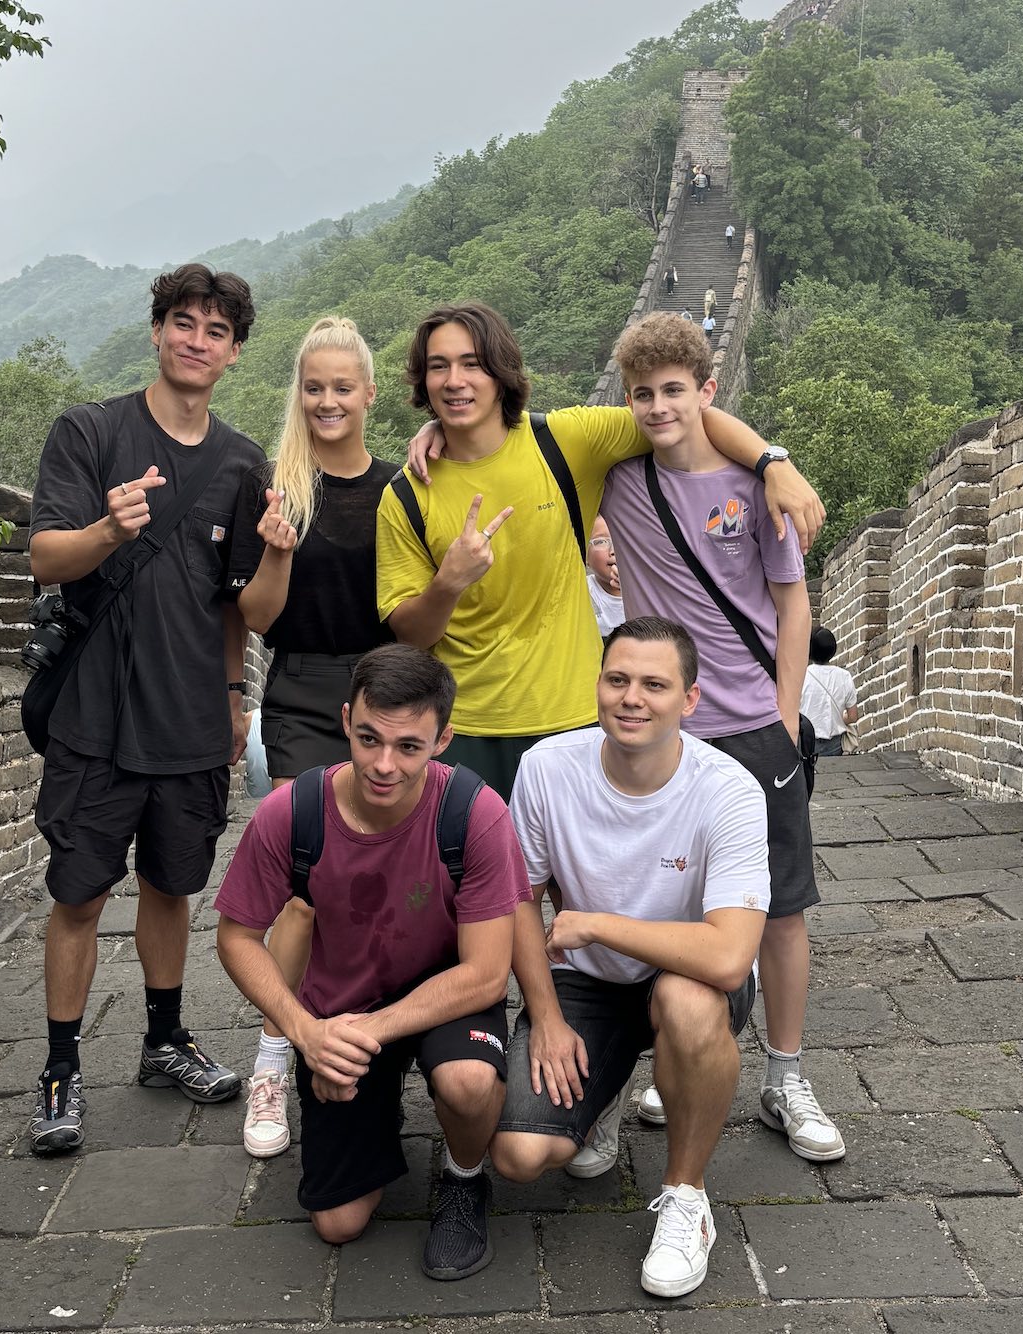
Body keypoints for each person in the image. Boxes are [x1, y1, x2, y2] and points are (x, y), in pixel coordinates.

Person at [379, 301, 825, 802]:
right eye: (439, 367)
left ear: (500, 372)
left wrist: (772, 462)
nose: (455, 380)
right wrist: (449, 582)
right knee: (479, 880)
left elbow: (686, 417)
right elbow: (409, 633)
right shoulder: (405, 495)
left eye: (472, 364)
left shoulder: (570, 441)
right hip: (467, 726)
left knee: (589, 879)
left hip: (577, 720)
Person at [26, 263, 261, 1155]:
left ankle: (164, 1039)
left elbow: (236, 601)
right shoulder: (90, 432)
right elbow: (47, 557)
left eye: (215, 330)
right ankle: (59, 1068)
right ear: (157, 331)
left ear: (234, 352)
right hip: (95, 713)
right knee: (80, 894)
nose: (197, 341)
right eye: (183, 323)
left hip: (192, 712)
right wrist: (109, 532)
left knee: (173, 885)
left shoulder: (241, 463)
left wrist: (237, 694)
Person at [599, 313, 844, 1164]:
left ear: (707, 390)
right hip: (661, 735)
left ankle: (785, 1076)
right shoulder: (620, 480)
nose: (660, 407)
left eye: (676, 390)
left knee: (779, 910)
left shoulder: (753, 483)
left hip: (750, 730)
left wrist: (783, 715)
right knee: (661, 905)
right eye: (644, 394)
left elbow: (792, 602)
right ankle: (664, 1064)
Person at [214, 645, 528, 1280]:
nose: (384, 764)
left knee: (466, 1084)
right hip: (341, 1004)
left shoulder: (475, 812)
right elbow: (237, 936)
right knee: (339, 1225)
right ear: (346, 719)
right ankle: (371, 1110)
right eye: (368, 739)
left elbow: (489, 973)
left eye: (409, 746)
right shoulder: (293, 812)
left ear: (444, 739)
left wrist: (368, 1034)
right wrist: (308, 1034)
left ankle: (464, 1179)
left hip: (448, 993)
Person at [490, 617, 768, 1298]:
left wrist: (599, 924)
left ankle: (685, 1197)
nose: (632, 697)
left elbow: (730, 957)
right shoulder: (548, 769)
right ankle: (605, 1088)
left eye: (654, 684)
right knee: (524, 1155)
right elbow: (520, 901)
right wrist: (546, 1017)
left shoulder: (728, 789)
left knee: (686, 1000)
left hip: (688, 978)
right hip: (585, 982)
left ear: (690, 700)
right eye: (617, 679)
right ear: (598, 686)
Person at [226, 316, 399, 1160]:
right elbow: (256, 618)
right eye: (313, 386)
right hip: (299, 698)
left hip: (384, 703)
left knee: (385, 878)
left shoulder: (404, 487)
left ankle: (373, 1043)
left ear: (369, 393)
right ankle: (272, 1057)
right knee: (304, 886)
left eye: (342, 386)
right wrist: (277, 552)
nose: (327, 400)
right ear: (299, 394)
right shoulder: (278, 487)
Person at [801, 624, 859, 757]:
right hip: (835, 745)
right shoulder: (844, 676)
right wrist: (837, 718)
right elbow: (853, 716)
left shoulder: (801, 676)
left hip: (807, 743)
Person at [585, 515, 624, 636]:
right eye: (601, 541)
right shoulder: (580, 592)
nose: (614, 549)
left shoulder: (652, 588)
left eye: (622, 538)